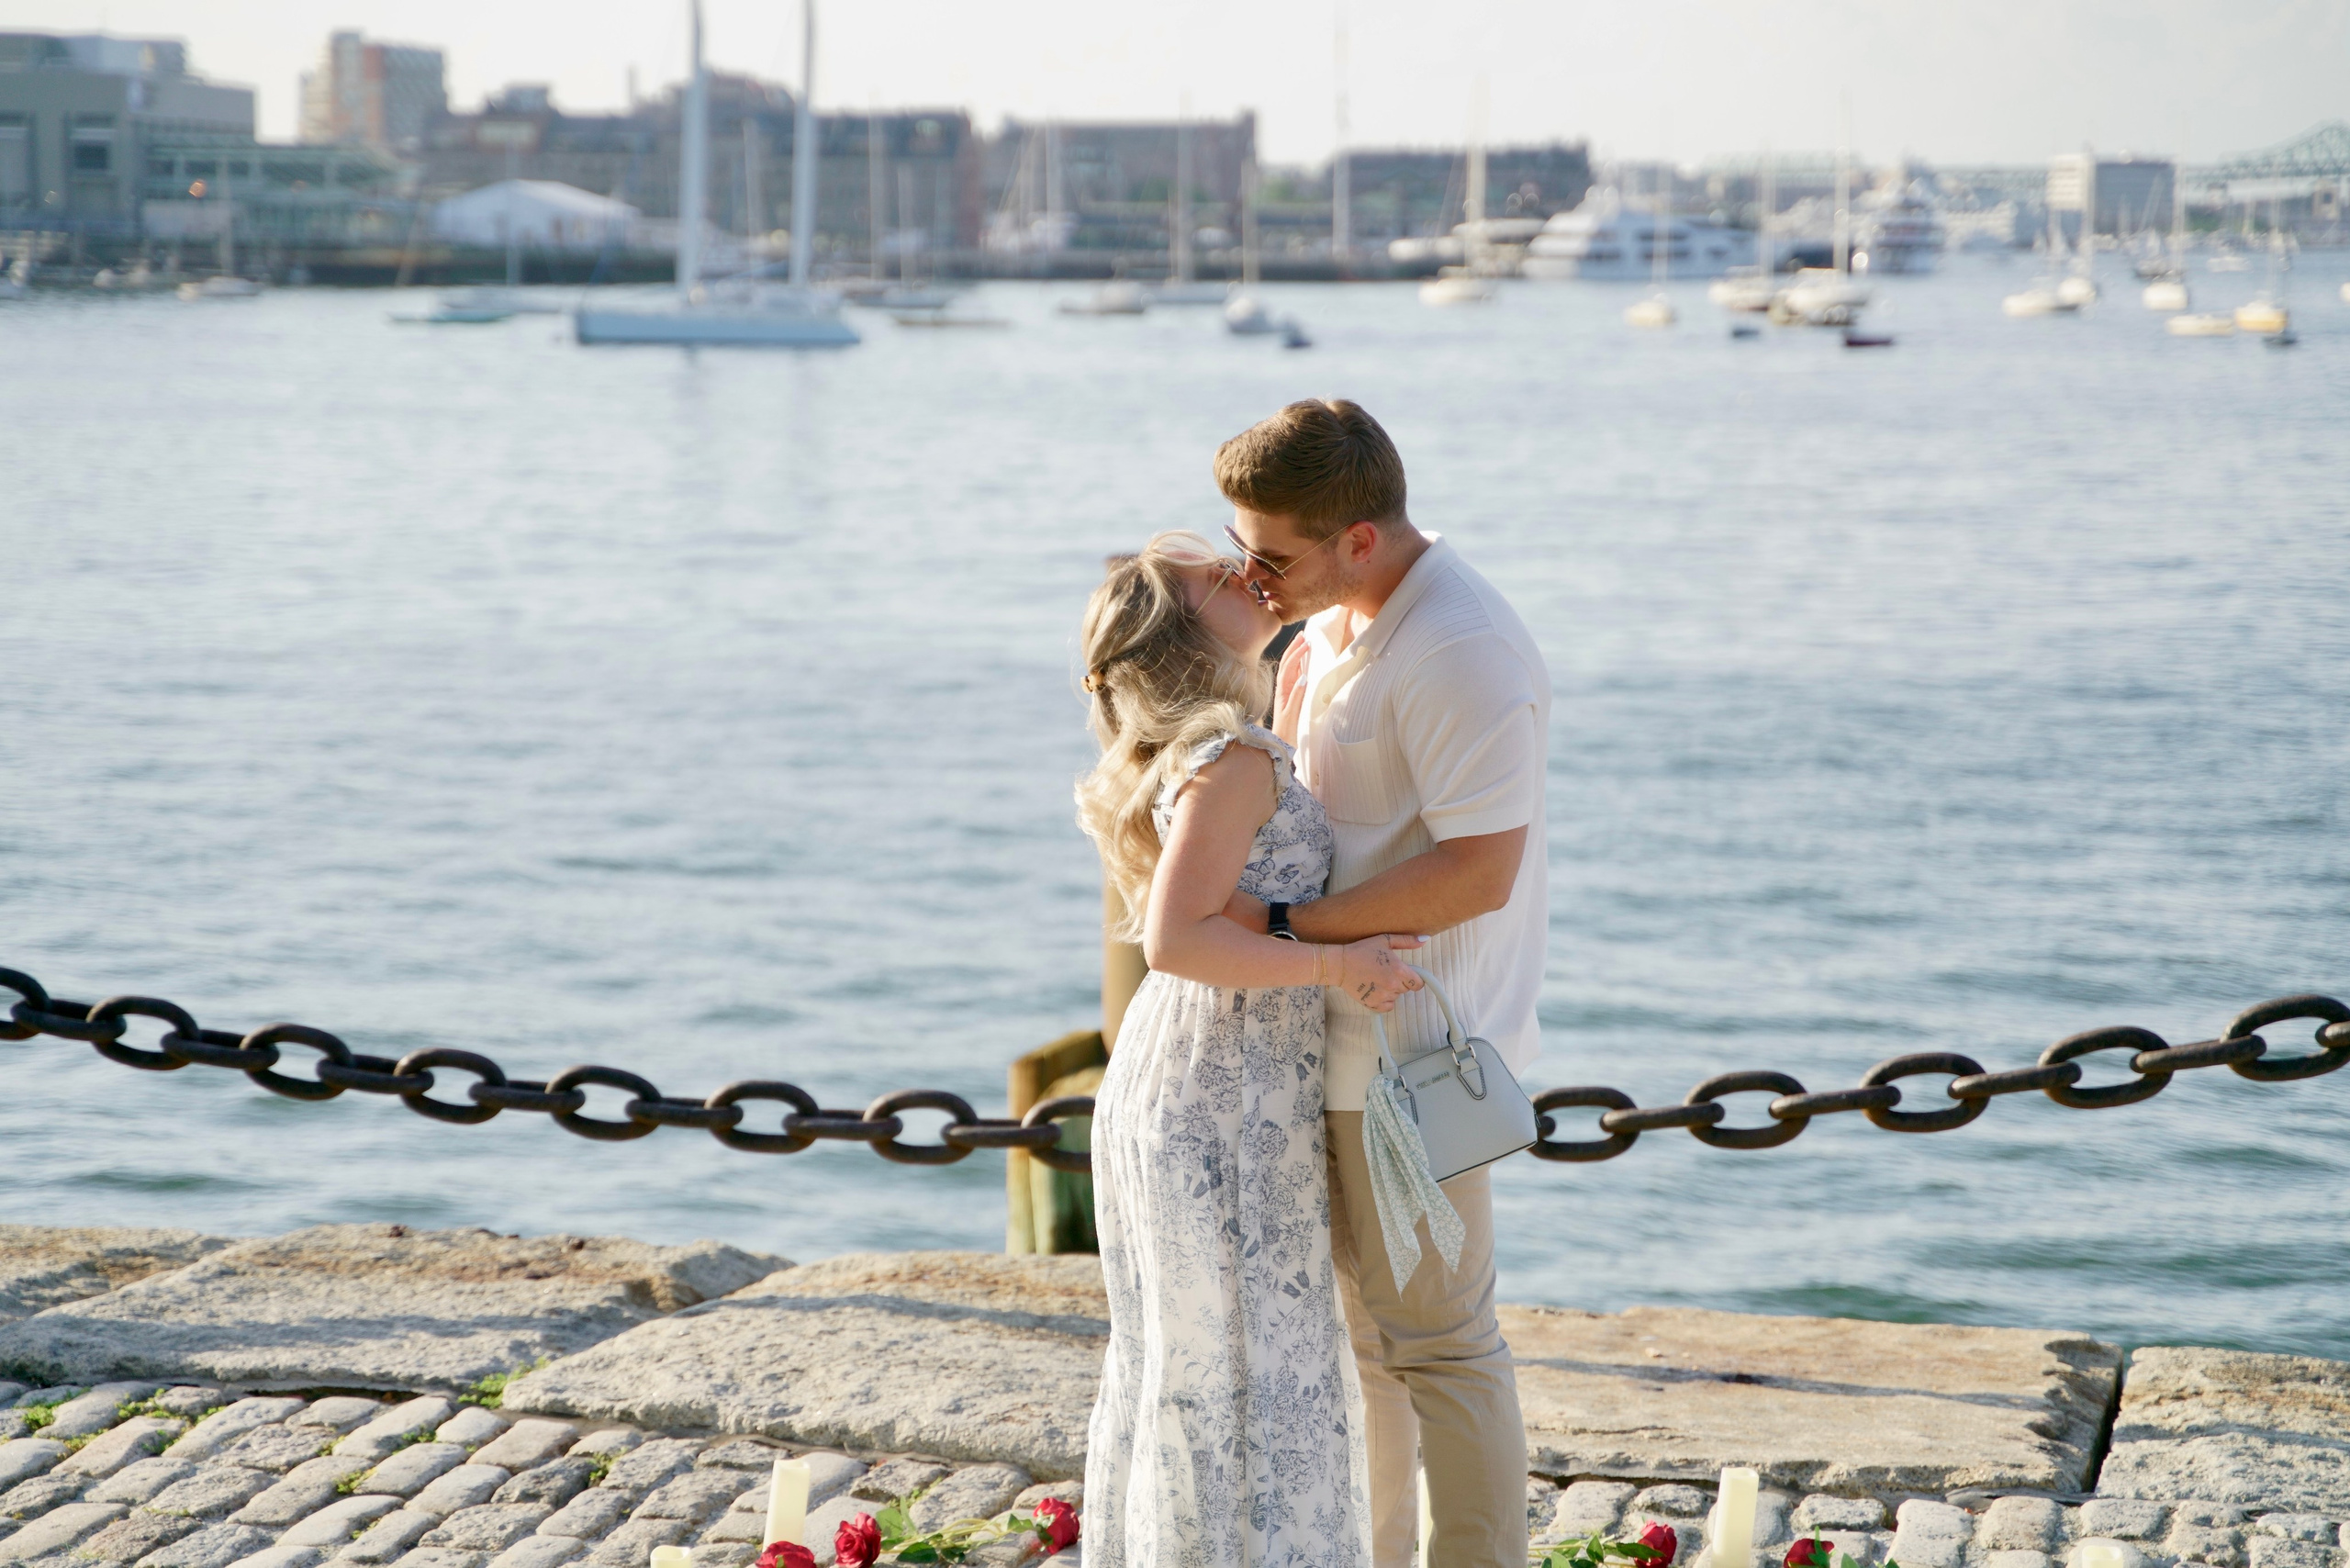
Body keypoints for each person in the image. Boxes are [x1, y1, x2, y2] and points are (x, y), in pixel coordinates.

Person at [1215, 399, 1551, 1568]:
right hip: (1329, 1038)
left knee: (1445, 1344)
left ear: (1359, 536)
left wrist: (1279, 926)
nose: (1252, 579)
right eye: (1241, 551)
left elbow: (1476, 872)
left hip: (1416, 1059)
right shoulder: (1327, 629)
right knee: (1370, 1345)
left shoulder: (1457, 644)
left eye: (1273, 556)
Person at [1073, 532, 1427, 1567]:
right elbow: (1181, 939)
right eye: (1215, 580)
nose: (1244, 575)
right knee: (1244, 1367)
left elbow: (1218, 908)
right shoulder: (1232, 757)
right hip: (1220, 1090)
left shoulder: (1200, 751)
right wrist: (1341, 963)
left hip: (1189, 1079)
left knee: (1198, 1365)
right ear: (1184, 633)